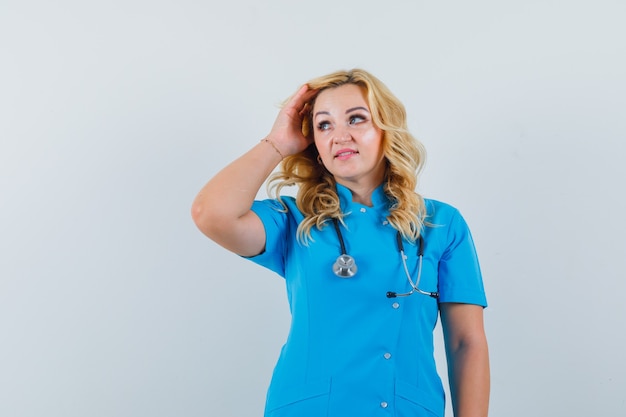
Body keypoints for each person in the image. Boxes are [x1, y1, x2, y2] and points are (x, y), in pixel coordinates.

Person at [191, 69, 490, 417]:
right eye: (324, 125)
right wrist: (276, 143)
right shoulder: (293, 219)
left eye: (356, 119)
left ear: (385, 129)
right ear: (313, 143)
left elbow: (465, 343)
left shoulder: (440, 224)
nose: (339, 136)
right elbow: (211, 213)